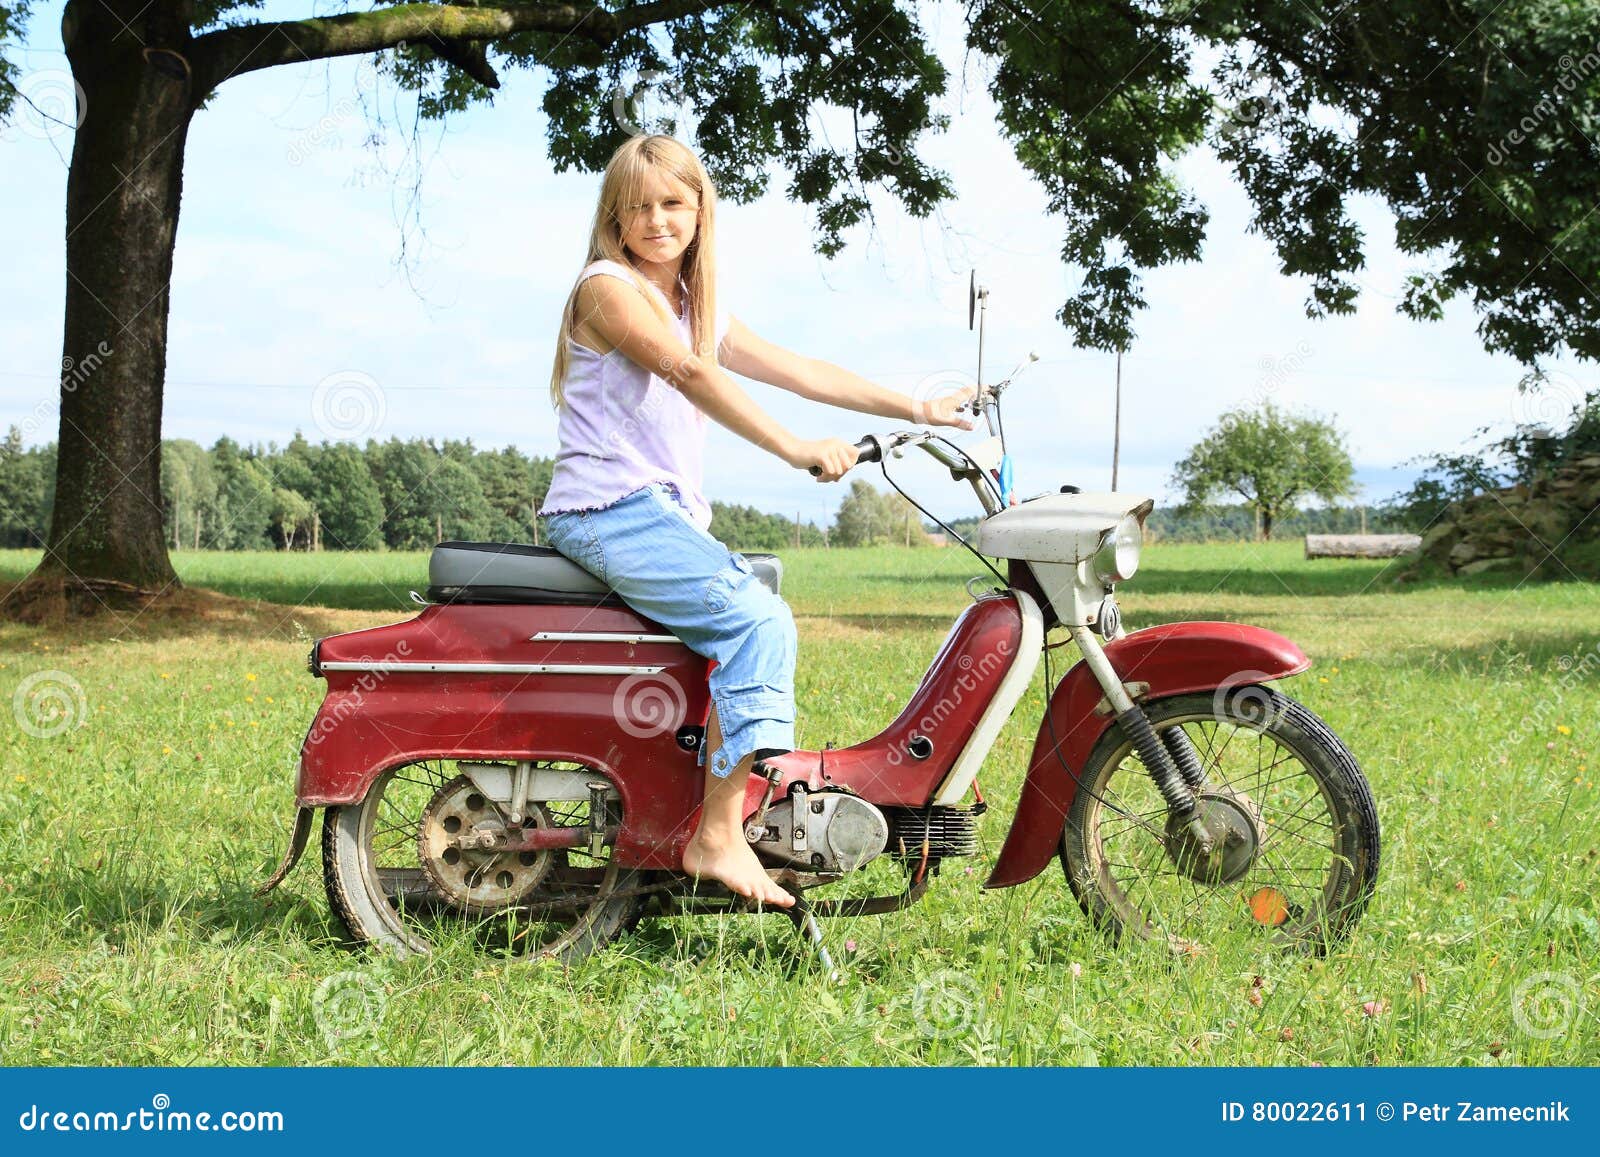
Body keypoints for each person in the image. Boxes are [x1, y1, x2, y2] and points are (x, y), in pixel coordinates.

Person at [539, 134, 975, 909]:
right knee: (759, 624)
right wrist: (795, 448)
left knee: (741, 621)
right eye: (637, 206)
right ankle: (715, 835)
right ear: (613, 216)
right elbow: (689, 373)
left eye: (673, 202)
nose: (657, 220)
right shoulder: (606, 289)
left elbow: (802, 369)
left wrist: (919, 407)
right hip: (606, 510)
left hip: (656, 512)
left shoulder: (692, 306)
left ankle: (728, 811)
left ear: (701, 208)